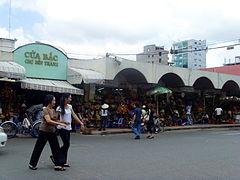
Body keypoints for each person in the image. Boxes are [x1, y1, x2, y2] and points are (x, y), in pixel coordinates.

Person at [29, 94, 69, 171]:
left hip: (52, 131)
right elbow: (48, 120)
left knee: (56, 148)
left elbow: (54, 120)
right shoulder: (45, 109)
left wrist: (63, 122)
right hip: (44, 131)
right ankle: (32, 164)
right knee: (39, 148)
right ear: (49, 101)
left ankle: (58, 164)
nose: (55, 102)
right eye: (53, 100)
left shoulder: (53, 110)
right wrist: (60, 124)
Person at [54, 93, 85, 167]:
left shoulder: (70, 107)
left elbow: (74, 115)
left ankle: (64, 161)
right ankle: (56, 155)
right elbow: (55, 118)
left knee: (67, 145)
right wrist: (60, 123)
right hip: (62, 128)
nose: (71, 99)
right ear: (66, 99)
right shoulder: (59, 108)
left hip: (68, 128)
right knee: (67, 144)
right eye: (70, 98)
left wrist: (80, 123)